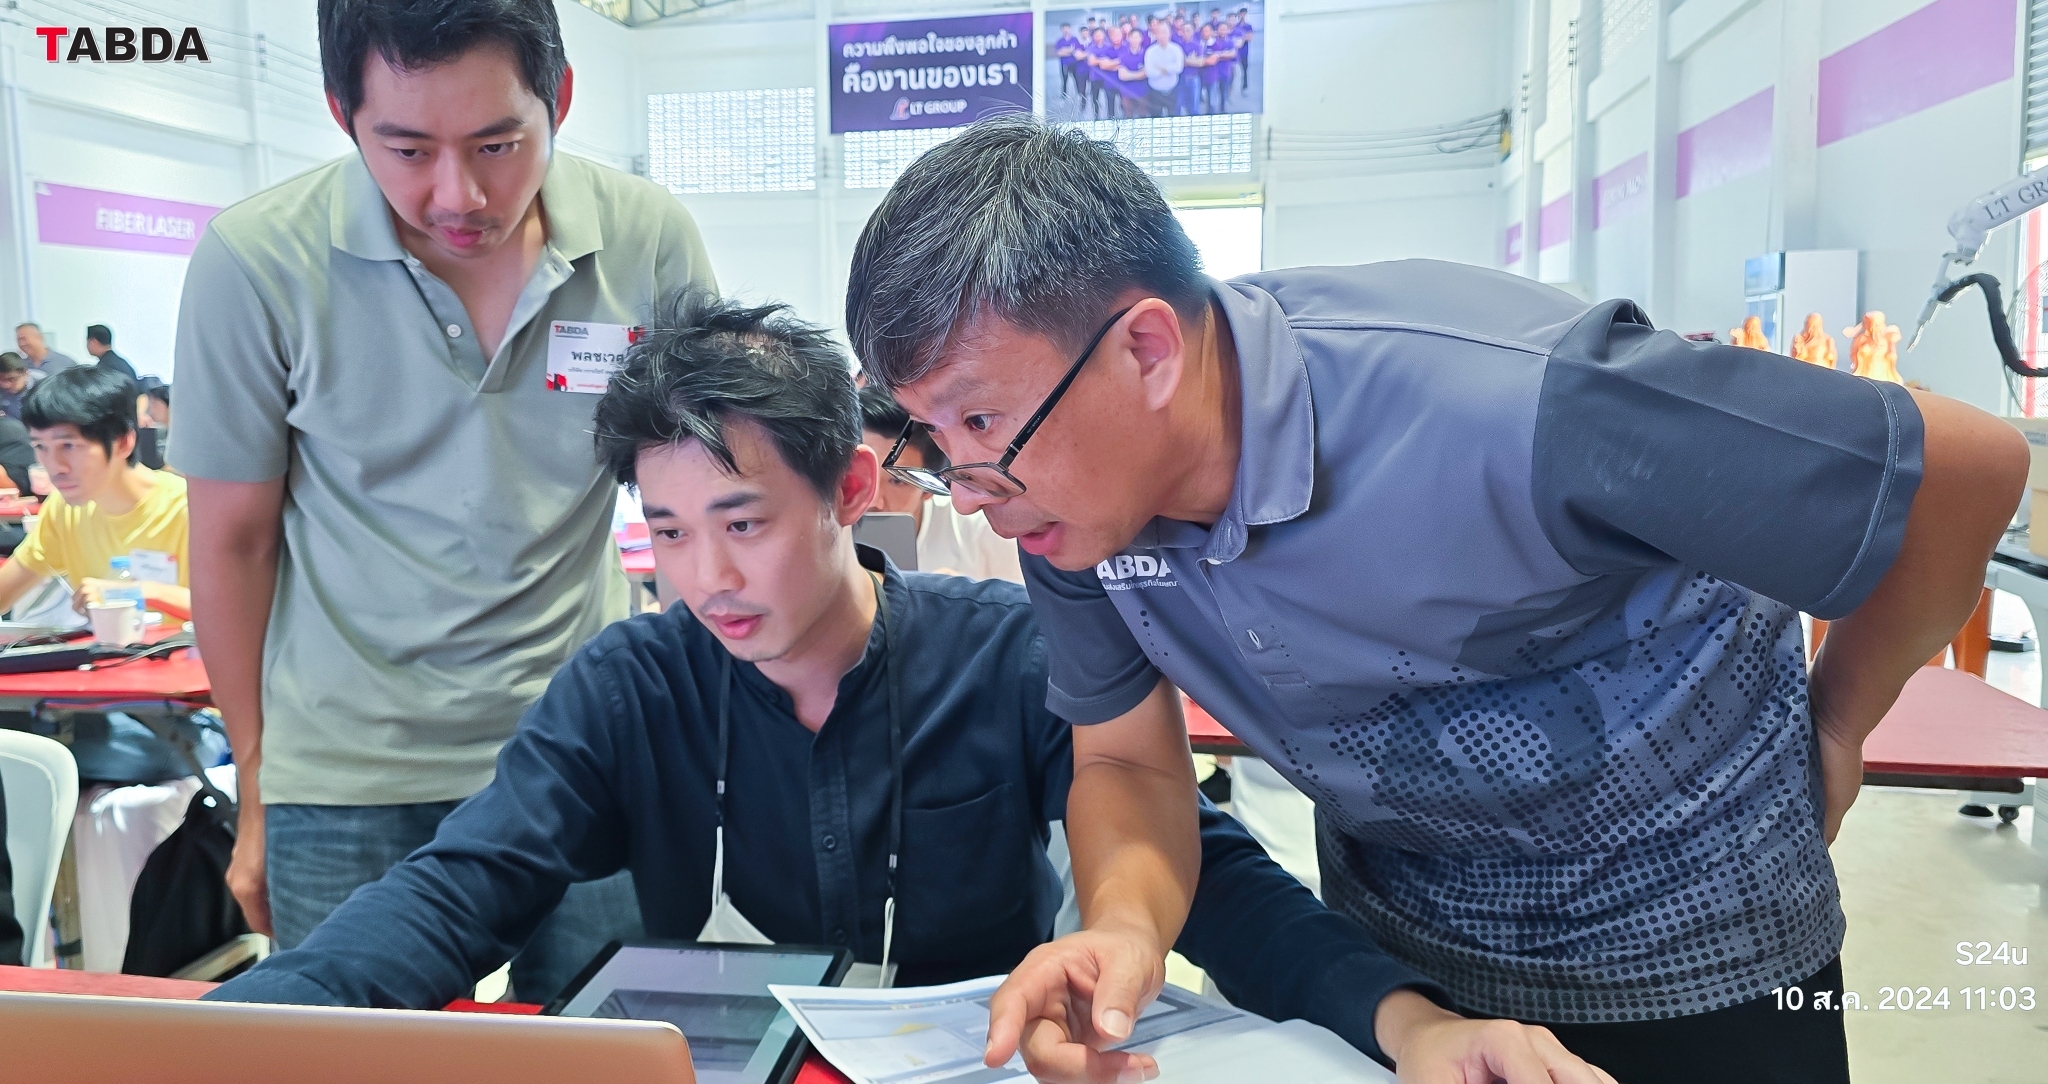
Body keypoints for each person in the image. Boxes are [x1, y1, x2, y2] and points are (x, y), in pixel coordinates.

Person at [844, 117, 2028, 1084]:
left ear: (1145, 350)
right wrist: (1123, 925)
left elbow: (1965, 469)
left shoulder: (1511, 401)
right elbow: (1123, 760)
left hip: (1693, 943)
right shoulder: (1072, 506)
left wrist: (1835, 722)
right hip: (1408, 964)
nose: (969, 489)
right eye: (934, 439)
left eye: (981, 420)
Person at [204, 291, 1532, 1080]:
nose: (706, 578)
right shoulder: (635, 685)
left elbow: (1220, 881)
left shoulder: (1004, 656)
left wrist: (1407, 1022)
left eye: (741, 521)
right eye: (667, 533)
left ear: (848, 489)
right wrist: (230, 1037)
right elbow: (462, 885)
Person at [170, 0, 716, 1005]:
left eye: (498, 144)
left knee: (603, 1051)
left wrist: (705, 738)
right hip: (345, 776)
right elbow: (233, 543)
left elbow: (703, 498)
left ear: (559, 97)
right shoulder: (257, 262)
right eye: (408, 149)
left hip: (586, 750)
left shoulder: (644, 240)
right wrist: (256, 783)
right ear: (342, 114)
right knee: (343, 1062)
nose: (458, 194)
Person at [0, 366, 189, 620]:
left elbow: (235, 609)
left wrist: (142, 592)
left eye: (69, 446)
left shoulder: (187, 508)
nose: (55, 466)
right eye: (41, 447)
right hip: (110, 646)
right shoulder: (64, 510)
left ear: (123, 442)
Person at [857, 386, 1021, 583]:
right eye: (864, 474)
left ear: (928, 488)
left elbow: (1027, 601)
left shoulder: (982, 533)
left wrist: (967, 598)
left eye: (897, 480)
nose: (874, 501)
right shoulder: (826, 532)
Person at [1142, 18, 1185, 119]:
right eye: (1159, 32)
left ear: (1170, 33)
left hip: (1172, 91)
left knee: (1174, 119)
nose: (1162, 35)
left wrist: (1161, 68)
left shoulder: (1176, 49)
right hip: (1155, 92)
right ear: (1155, 34)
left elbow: (1178, 68)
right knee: (1156, 120)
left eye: (1165, 32)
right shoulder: (1150, 51)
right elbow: (1150, 72)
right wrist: (1169, 69)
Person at [1054, 22, 1081, 100]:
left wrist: (1064, 50)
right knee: (1064, 80)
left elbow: (1076, 50)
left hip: (1074, 63)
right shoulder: (1060, 41)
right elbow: (1059, 53)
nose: (1065, 30)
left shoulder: (1074, 39)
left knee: (1076, 79)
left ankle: (1079, 93)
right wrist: (1070, 50)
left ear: (1070, 29)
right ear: (1061, 30)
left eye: (1067, 28)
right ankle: (1064, 94)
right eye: (1064, 29)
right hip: (1064, 64)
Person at [0, 352, 29, 421]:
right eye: (1, 379)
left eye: (11, 379)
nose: (6, 385)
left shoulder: (41, 389)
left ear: (25, 374)